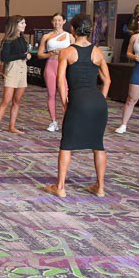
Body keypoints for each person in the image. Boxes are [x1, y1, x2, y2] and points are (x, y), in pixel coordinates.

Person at [45, 14, 110, 198]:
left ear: (72, 29)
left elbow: (60, 80)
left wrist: (65, 102)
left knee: (66, 144)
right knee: (98, 144)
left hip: (78, 101)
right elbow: (107, 80)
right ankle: (100, 187)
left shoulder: (67, 52)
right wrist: (101, 99)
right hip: (98, 102)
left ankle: (60, 187)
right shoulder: (97, 52)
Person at [0, 15, 30, 135]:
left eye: (24, 23)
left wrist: (26, 56)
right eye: (22, 23)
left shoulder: (22, 38)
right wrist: (23, 55)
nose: (25, 25)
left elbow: (23, 53)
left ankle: (12, 127)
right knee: (6, 100)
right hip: (12, 69)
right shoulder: (8, 39)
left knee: (17, 100)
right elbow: (5, 57)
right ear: (15, 25)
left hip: (22, 68)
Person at [37, 13, 71, 132]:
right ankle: (53, 121)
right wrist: (50, 53)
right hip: (51, 65)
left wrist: (64, 52)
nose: (57, 23)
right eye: (55, 20)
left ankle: (67, 121)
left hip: (63, 66)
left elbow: (75, 52)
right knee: (51, 94)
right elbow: (40, 54)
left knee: (65, 95)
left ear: (64, 21)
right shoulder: (46, 36)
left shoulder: (69, 36)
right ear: (52, 22)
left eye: (59, 20)